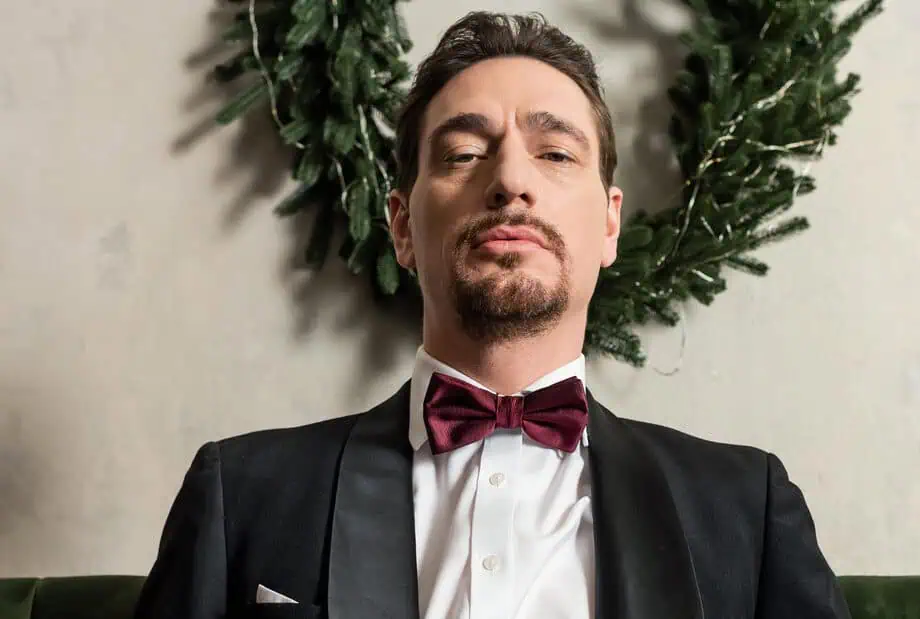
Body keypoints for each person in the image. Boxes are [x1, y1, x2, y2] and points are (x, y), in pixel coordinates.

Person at [134, 11, 850, 619]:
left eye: (556, 153)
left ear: (609, 226)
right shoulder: (244, 495)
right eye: (465, 152)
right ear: (402, 226)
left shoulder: (746, 509)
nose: (510, 180)